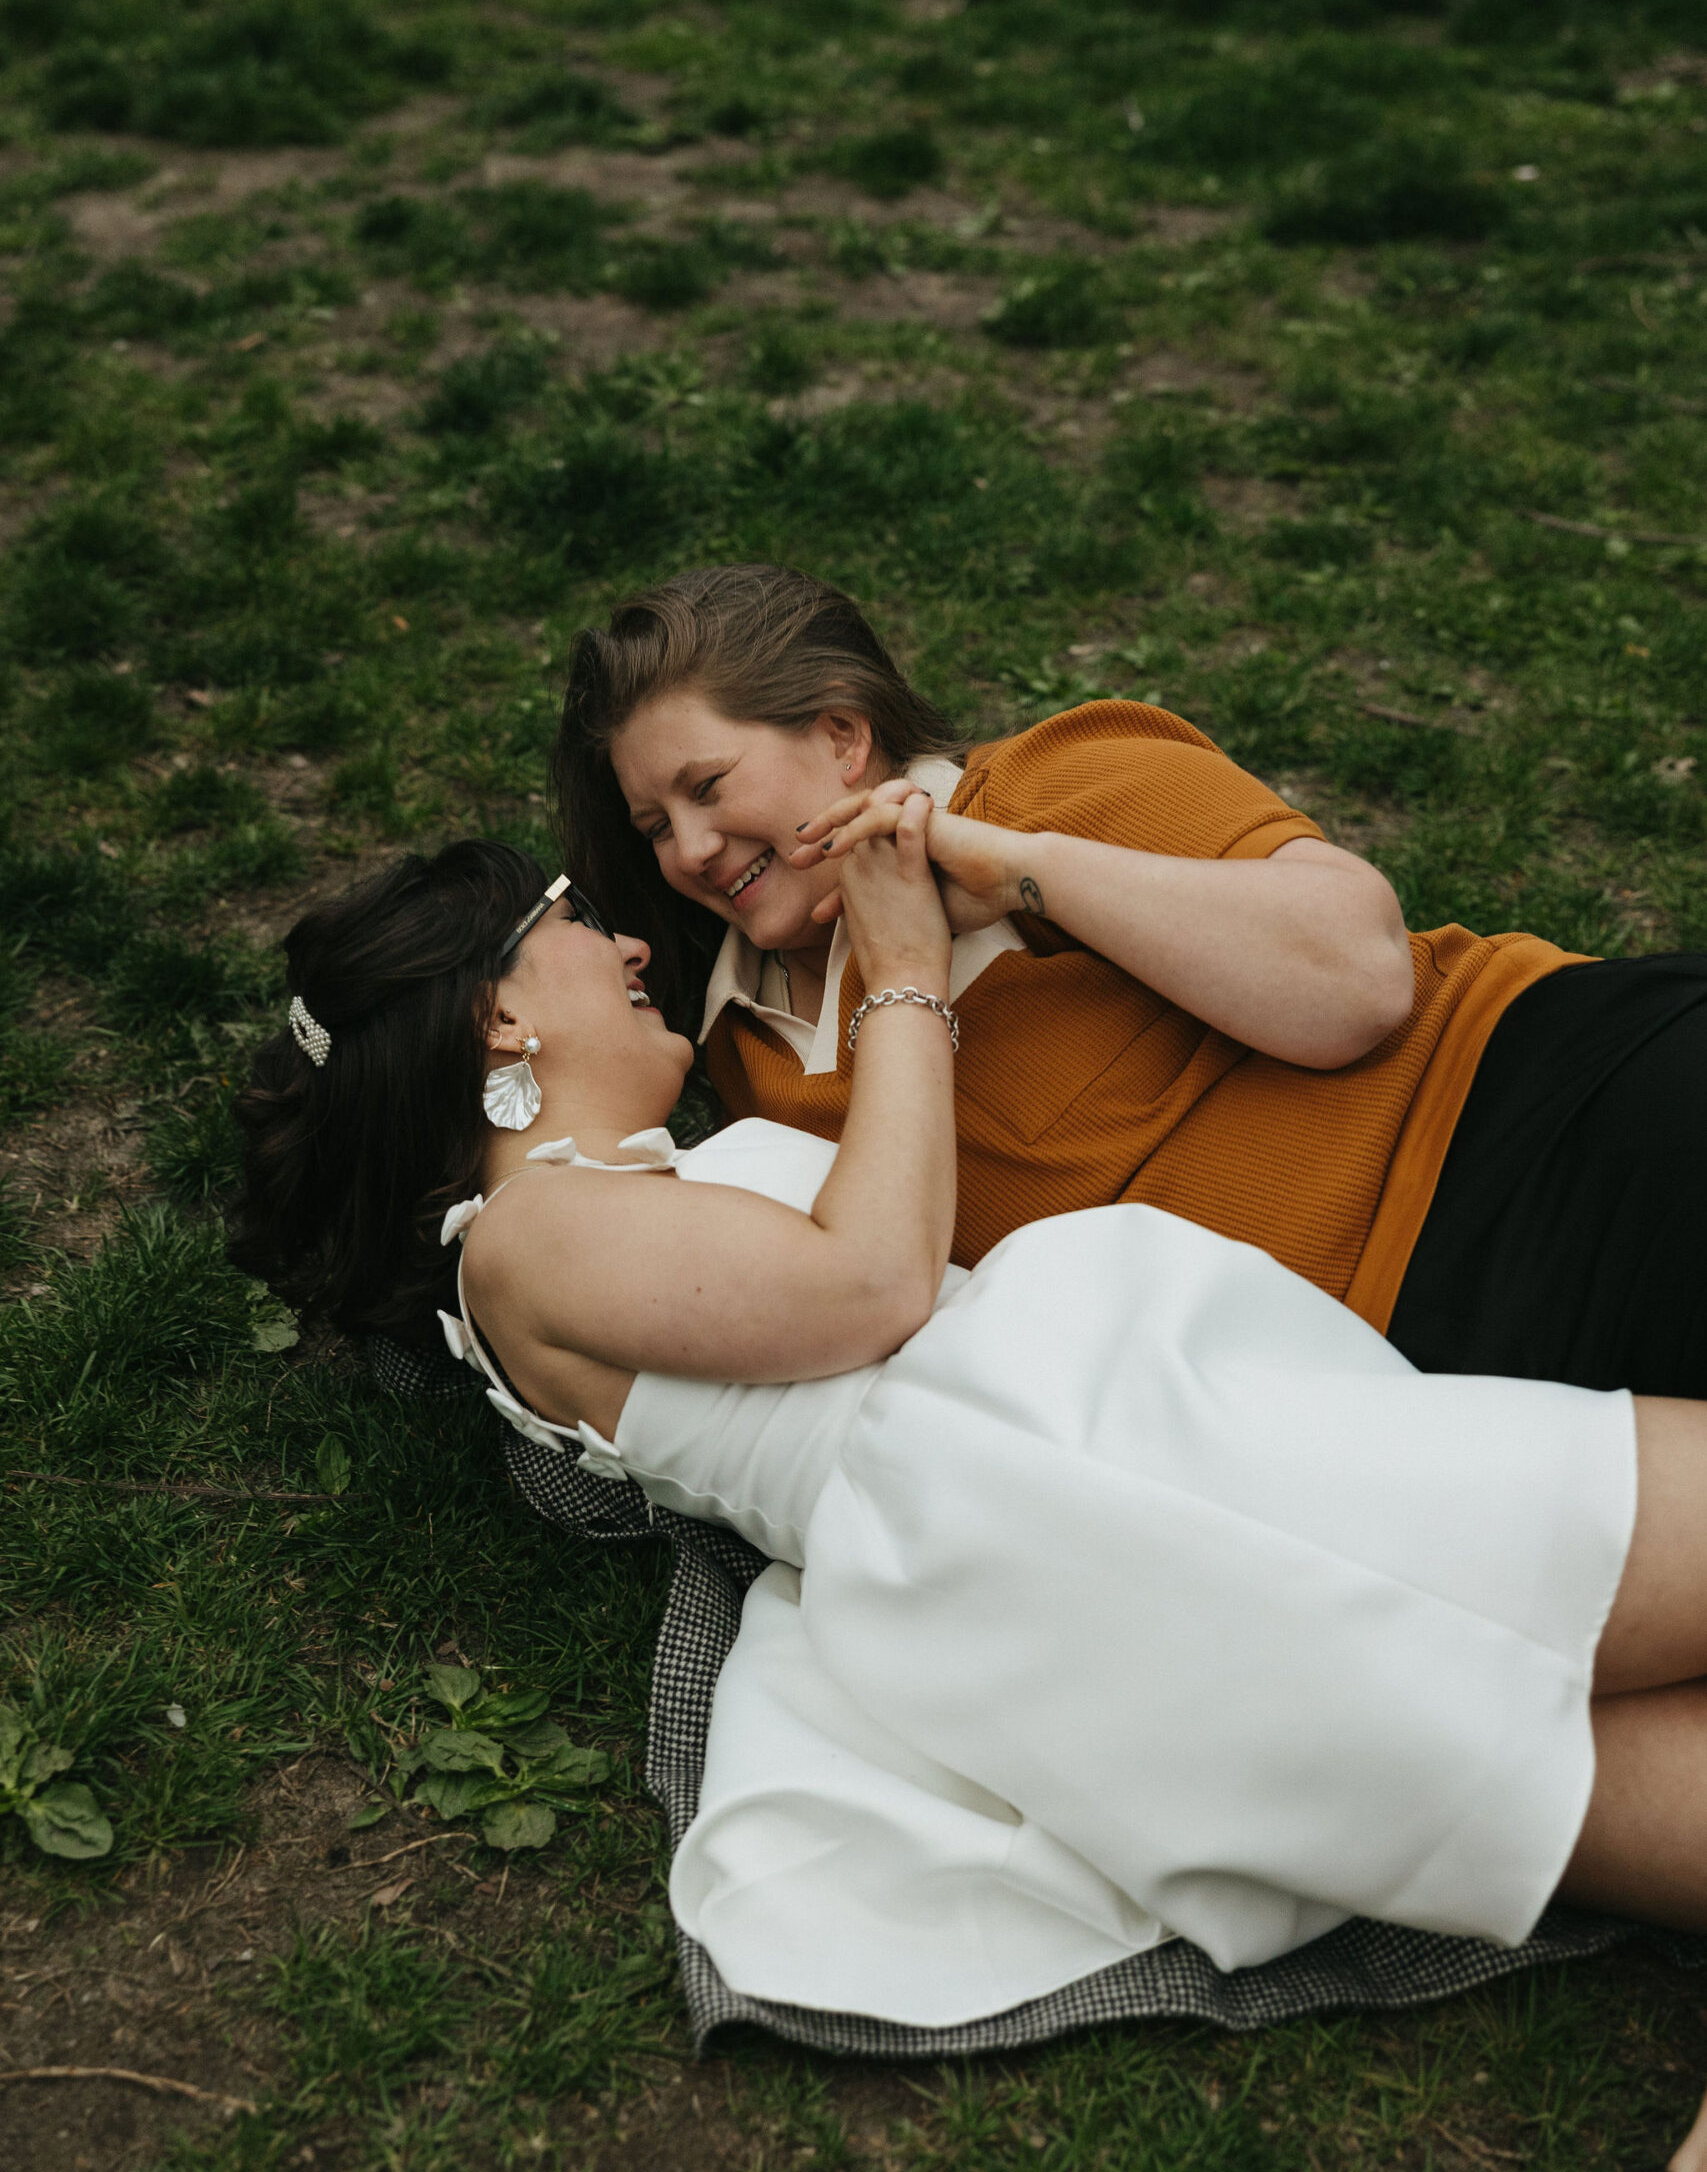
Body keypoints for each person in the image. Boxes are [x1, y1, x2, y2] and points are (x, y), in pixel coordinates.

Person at [232, 823, 1707, 2105]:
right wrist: (900, 971)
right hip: (1096, 1500)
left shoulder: (600, 1202)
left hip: (1082, 1502)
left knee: (1545, 1754)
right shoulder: (527, 1234)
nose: (629, 942)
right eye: (573, 925)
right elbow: (865, 1289)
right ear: (499, 1019)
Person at [552, 562, 1707, 1398]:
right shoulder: (740, 1056)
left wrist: (1013, 874)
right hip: (1407, 1347)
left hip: (1538, 1116)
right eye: (656, 823)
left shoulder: (1052, 782)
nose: (690, 850)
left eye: (710, 785)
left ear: (844, 737)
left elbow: (1357, 983)